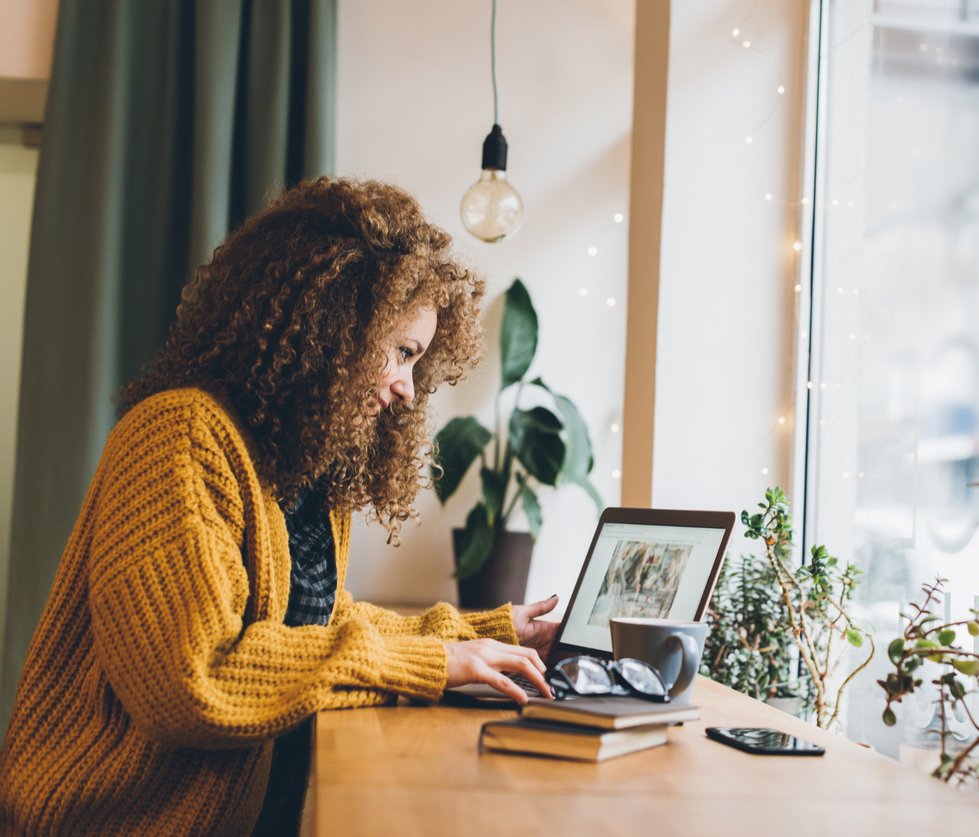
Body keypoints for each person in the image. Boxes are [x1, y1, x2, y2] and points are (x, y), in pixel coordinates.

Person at [0, 177, 559, 835]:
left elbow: (312, 625)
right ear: (333, 322)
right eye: (402, 352)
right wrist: (432, 663)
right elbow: (192, 681)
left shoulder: (300, 464)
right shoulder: (178, 434)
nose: (408, 388)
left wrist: (489, 632)